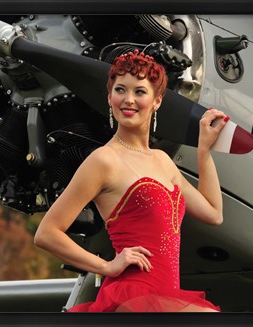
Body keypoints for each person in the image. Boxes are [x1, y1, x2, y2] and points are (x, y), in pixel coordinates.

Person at [34, 49, 230, 312]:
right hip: (132, 296)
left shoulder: (162, 161)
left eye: (139, 91)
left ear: (157, 101)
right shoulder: (103, 160)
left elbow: (214, 214)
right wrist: (106, 266)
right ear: (109, 97)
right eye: (120, 90)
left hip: (168, 296)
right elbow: (46, 233)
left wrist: (204, 151)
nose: (128, 100)